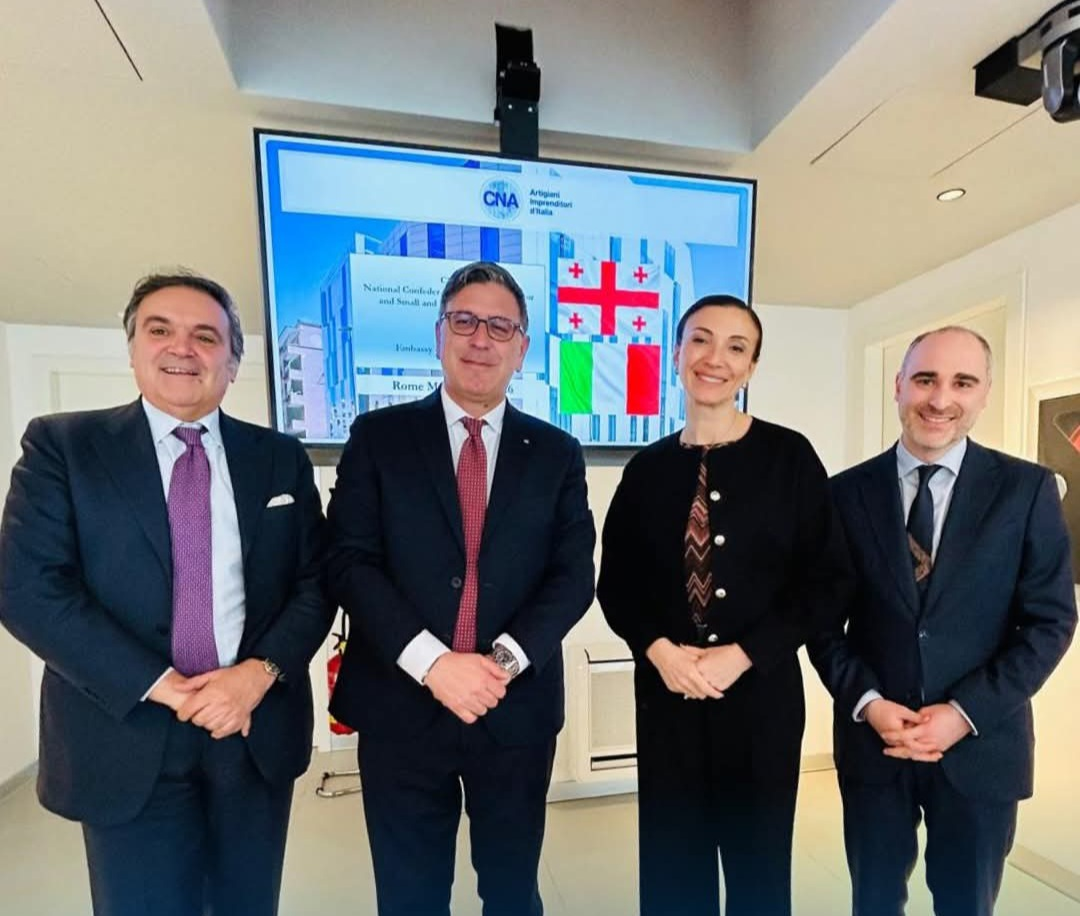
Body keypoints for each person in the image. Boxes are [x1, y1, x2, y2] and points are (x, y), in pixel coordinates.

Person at [0, 271, 333, 916]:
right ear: (133, 349)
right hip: (123, 731)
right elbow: (29, 590)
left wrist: (258, 675)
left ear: (231, 362)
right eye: (161, 330)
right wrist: (170, 688)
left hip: (251, 730)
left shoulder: (279, 457)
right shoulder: (63, 446)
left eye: (206, 336)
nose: (183, 348)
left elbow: (316, 582)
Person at [325, 261, 596, 916]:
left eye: (500, 326)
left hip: (514, 710)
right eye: (465, 321)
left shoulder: (557, 452)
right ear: (439, 334)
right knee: (410, 896)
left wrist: (497, 665)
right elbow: (348, 561)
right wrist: (435, 664)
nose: (481, 339)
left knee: (512, 891)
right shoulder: (379, 437)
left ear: (522, 348)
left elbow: (572, 577)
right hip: (400, 708)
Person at [596, 294, 852, 916]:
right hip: (668, 699)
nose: (715, 358)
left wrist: (744, 654)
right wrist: (660, 651)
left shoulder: (790, 457)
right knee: (672, 867)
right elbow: (617, 584)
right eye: (701, 340)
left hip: (761, 699)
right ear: (676, 353)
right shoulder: (646, 469)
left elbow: (827, 582)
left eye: (736, 347)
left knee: (758, 867)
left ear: (752, 367)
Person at [808, 326, 1077, 916]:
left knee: (967, 905)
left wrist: (963, 713)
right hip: (876, 744)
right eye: (925, 379)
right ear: (898, 385)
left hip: (983, 746)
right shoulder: (843, 495)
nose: (940, 399)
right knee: (873, 902)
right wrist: (869, 704)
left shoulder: (1027, 491)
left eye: (963, 382)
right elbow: (822, 625)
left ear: (984, 394)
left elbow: (1050, 622)